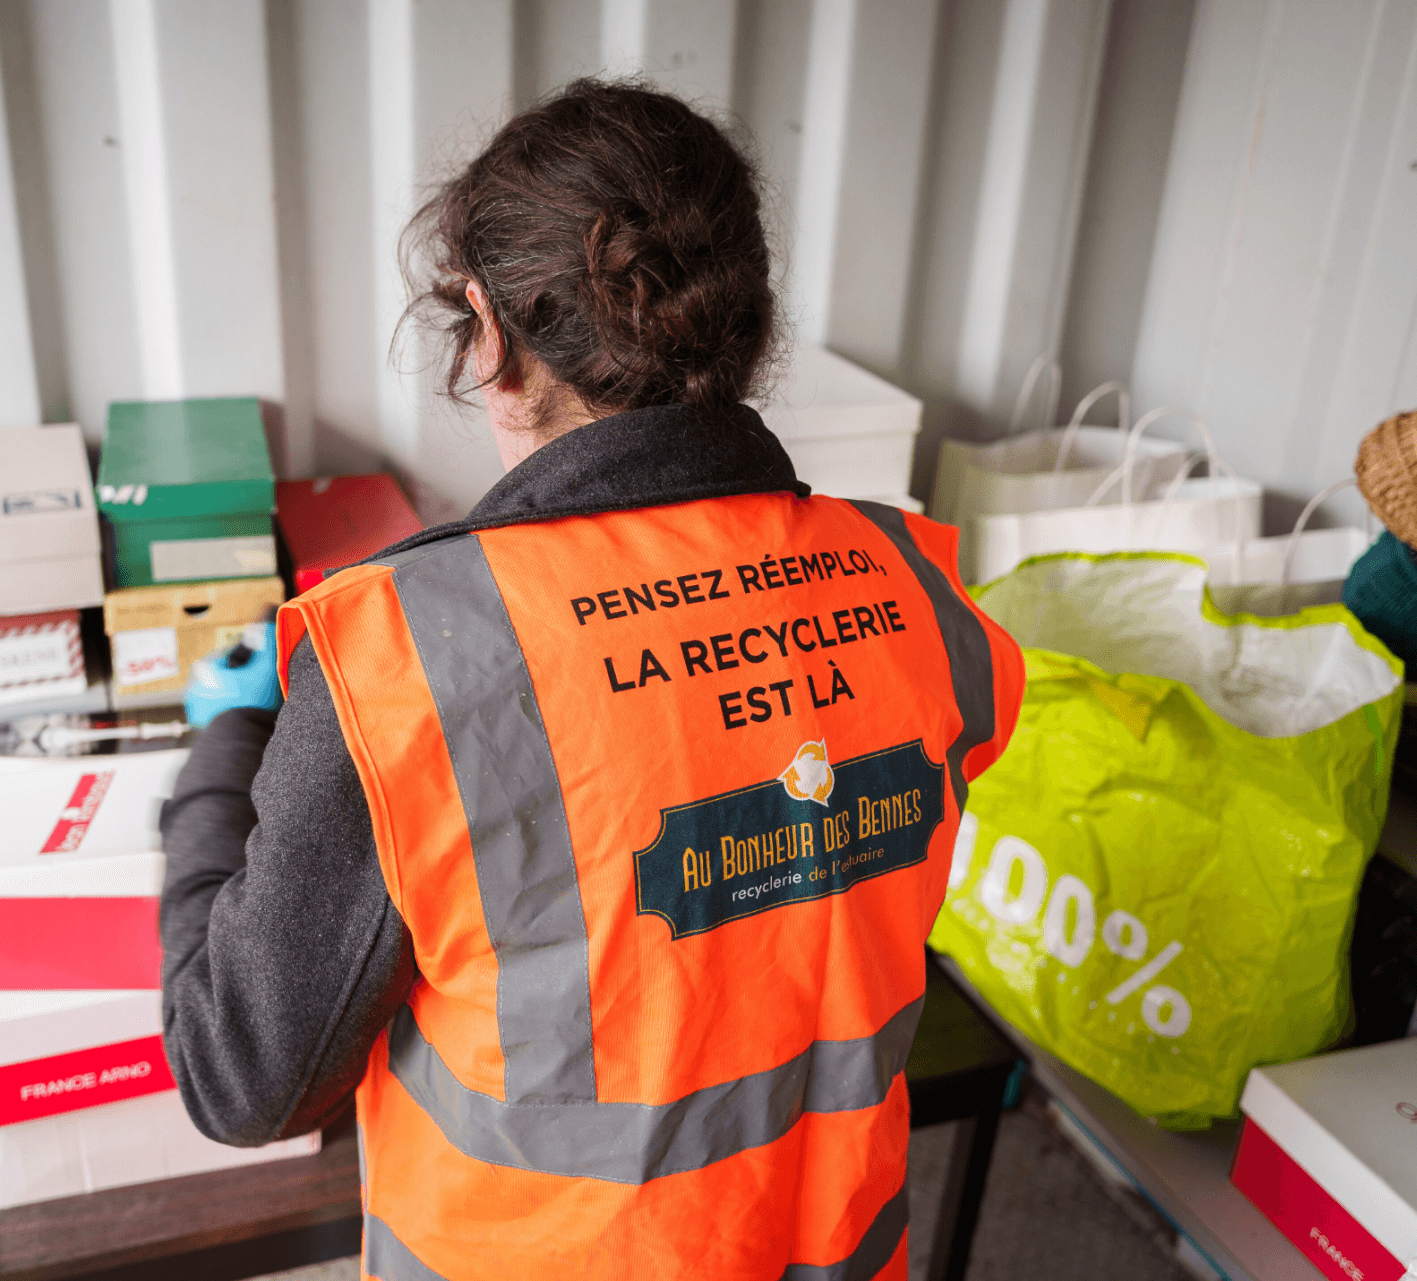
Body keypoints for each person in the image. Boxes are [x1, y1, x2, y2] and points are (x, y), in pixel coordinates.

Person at [158, 79, 1024, 1280]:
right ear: (749, 325)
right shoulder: (919, 592)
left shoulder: (405, 660)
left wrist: (216, 764)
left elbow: (238, 1079)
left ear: (488, 329)